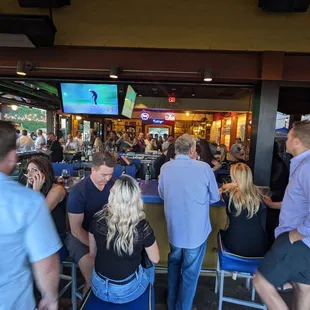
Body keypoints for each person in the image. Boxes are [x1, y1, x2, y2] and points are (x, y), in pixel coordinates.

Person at [0, 121, 62, 310]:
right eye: (29, 171)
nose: (31, 174)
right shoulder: (26, 200)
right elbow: (48, 265)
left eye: (36, 171)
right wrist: (50, 297)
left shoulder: (49, 192)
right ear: (12, 155)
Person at [158, 134, 220, 310]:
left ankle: (171, 304)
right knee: (190, 273)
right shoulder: (204, 168)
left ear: (177, 149)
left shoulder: (165, 168)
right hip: (196, 231)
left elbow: (162, 195)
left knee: (174, 264)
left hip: (174, 230)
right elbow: (215, 198)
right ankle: (183, 307)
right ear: (192, 150)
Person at [253, 120, 310, 310]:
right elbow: (299, 203)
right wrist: (273, 204)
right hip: (302, 241)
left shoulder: (307, 168)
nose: (285, 140)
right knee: (303, 289)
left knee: (262, 283)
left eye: (289, 137)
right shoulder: (302, 165)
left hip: (297, 240)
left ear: (297, 142)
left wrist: (297, 234)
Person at [89, 175, 160, 303]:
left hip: (98, 287)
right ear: (136, 199)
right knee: (150, 266)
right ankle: (149, 294)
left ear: (113, 196)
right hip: (127, 291)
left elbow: (92, 253)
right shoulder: (142, 227)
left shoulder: (97, 219)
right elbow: (155, 259)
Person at [65, 152, 116, 295]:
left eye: (110, 174)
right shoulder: (79, 192)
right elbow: (75, 229)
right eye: (103, 175)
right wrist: (97, 246)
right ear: (93, 170)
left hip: (105, 236)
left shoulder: (113, 185)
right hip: (80, 237)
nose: (107, 179)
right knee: (94, 279)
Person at [220, 163, 269, 257]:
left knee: (221, 233)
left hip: (235, 246)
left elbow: (214, 195)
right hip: (260, 247)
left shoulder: (228, 195)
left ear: (234, 177)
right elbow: (267, 193)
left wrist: (225, 187)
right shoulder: (258, 193)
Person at [25, 157, 67, 242]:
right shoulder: (34, 187)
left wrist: (35, 192)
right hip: (38, 232)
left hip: (54, 236)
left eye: (34, 170)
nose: (30, 175)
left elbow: (37, 217)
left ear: (45, 172)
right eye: (28, 171)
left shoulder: (57, 190)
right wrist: (28, 185)